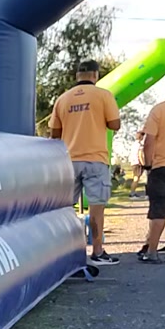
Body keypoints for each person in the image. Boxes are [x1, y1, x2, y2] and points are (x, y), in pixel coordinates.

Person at [49, 60, 121, 265]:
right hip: (96, 158)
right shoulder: (104, 95)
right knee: (97, 207)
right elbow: (115, 124)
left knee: (65, 207)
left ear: (77, 75)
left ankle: (65, 252)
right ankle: (97, 252)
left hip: (68, 159)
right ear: (95, 75)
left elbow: (55, 133)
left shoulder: (63, 99)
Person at [138, 70, 165, 263]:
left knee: (158, 210)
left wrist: (148, 165)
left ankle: (152, 252)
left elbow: (149, 141)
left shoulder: (159, 110)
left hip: (162, 167)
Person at [128, 130, 147, 197]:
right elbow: (140, 155)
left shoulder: (134, 144)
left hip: (133, 162)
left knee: (135, 178)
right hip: (138, 163)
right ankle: (132, 193)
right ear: (140, 136)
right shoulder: (139, 145)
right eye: (142, 135)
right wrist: (144, 164)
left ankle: (133, 192)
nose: (143, 137)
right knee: (136, 179)